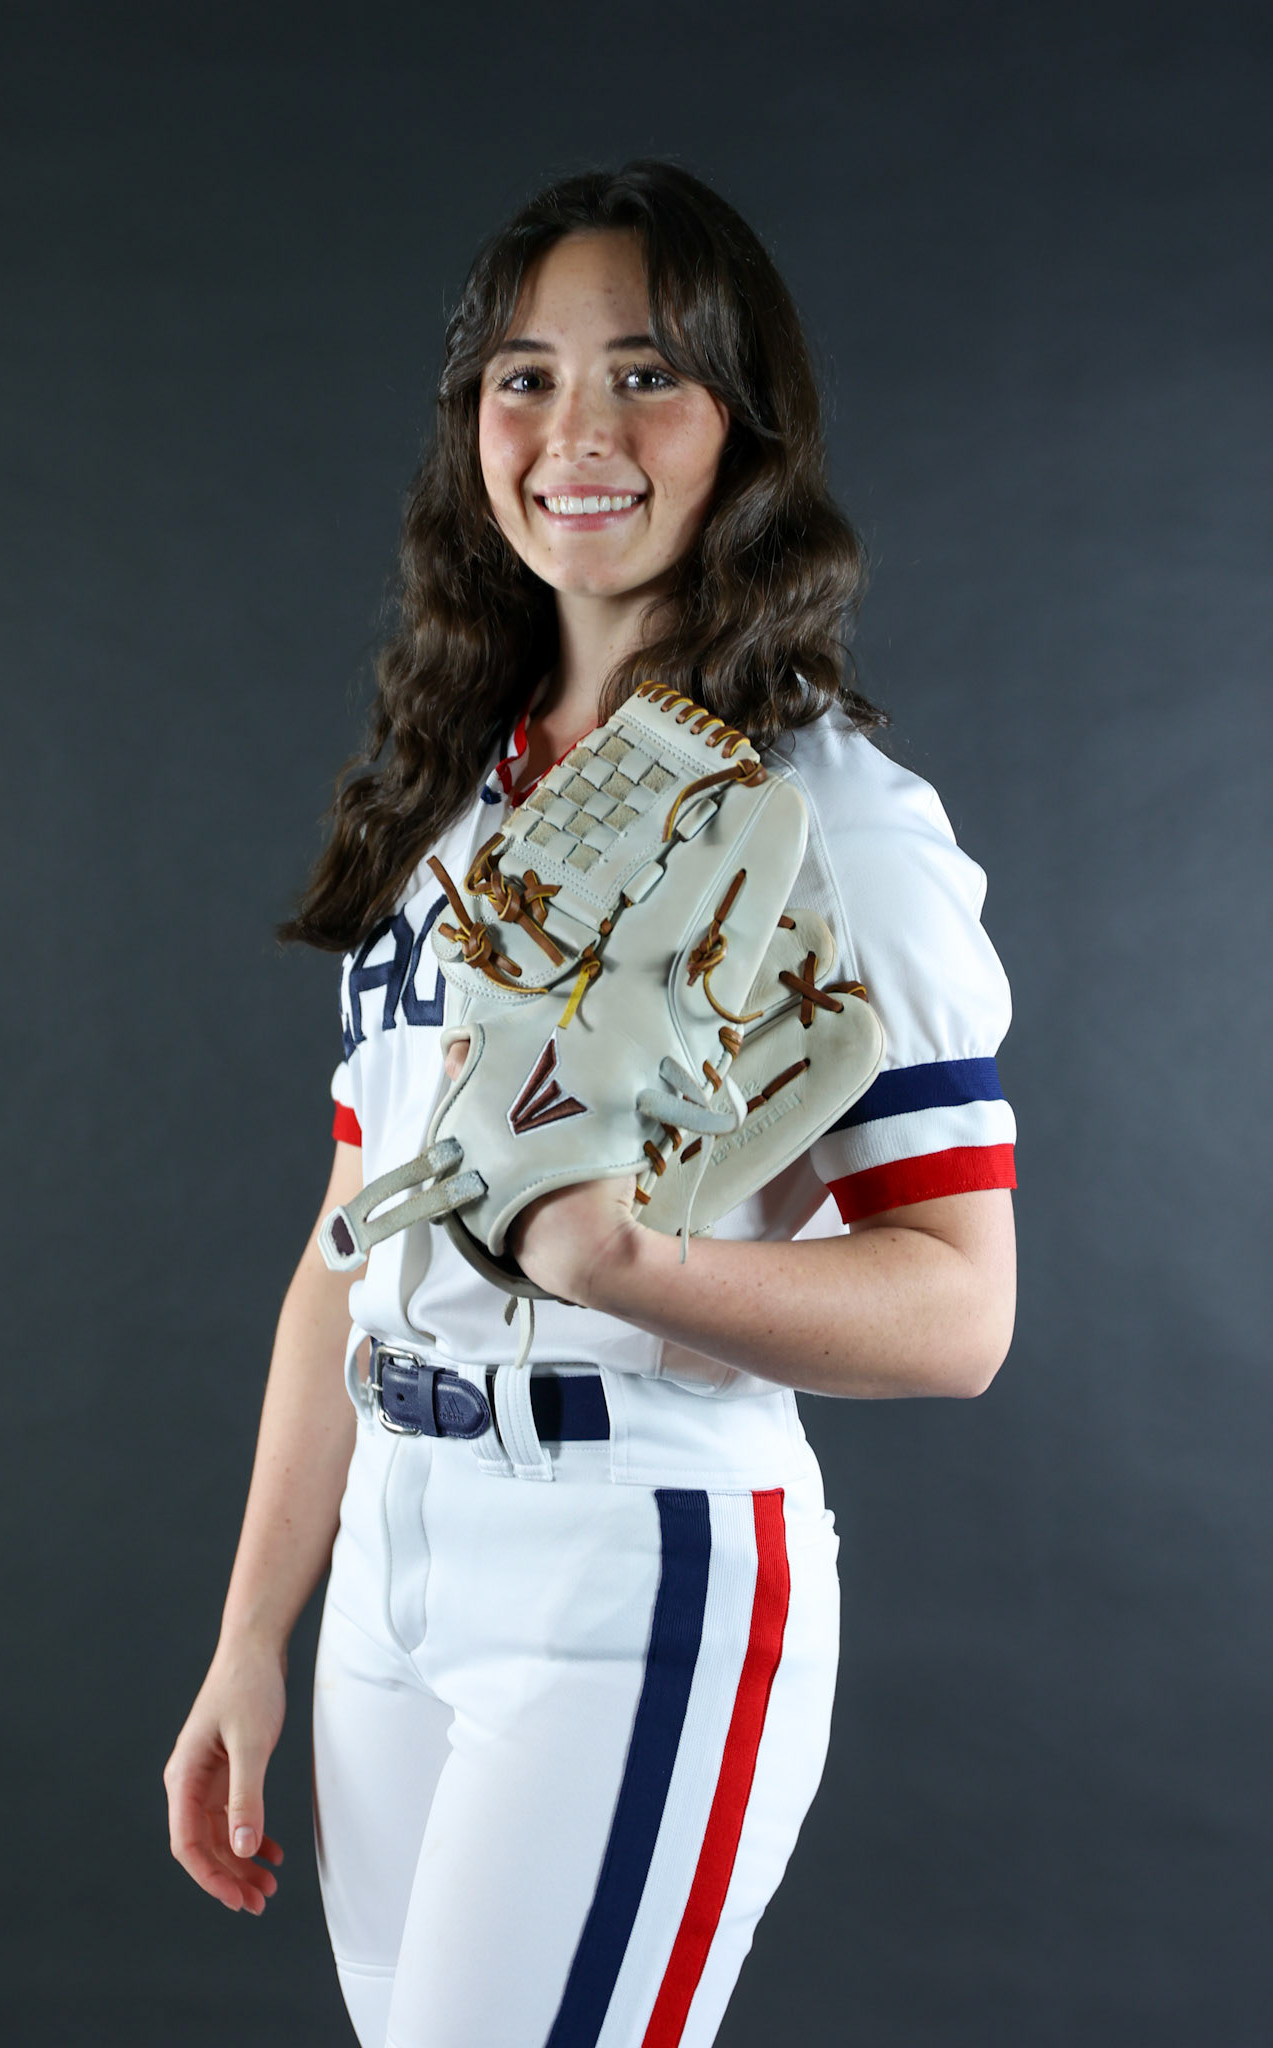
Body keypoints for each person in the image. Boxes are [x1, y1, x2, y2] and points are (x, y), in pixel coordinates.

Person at [164, 161, 1017, 2048]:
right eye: (522, 378)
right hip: (395, 1554)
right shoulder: (452, 801)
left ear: (747, 427)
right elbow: (342, 1253)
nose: (576, 432)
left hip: (632, 1552)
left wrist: (626, 1261)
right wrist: (252, 1631)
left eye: (646, 374)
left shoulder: (832, 819)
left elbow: (960, 1309)